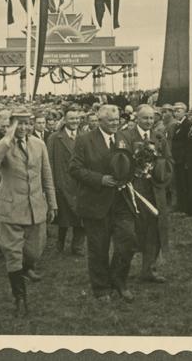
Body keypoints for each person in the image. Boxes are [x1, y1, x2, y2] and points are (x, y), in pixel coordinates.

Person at [0, 107, 57, 316]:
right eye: (19, 123)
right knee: (13, 254)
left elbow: (47, 175)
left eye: (27, 123)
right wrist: (7, 138)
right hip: (11, 208)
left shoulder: (39, 144)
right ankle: (20, 297)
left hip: (35, 208)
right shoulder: (3, 145)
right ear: (11, 124)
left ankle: (24, 270)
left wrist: (52, 203)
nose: (24, 127)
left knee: (34, 252)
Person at [69, 104, 138, 303]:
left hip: (121, 201)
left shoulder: (124, 137)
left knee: (128, 241)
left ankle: (119, 280)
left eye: (117, 120)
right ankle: (101, 288)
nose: (115, 124)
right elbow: (74, 168)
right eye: (110, 121)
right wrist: (100, 179)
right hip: (96, 203)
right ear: (99, 121)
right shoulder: (85, 140)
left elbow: (129, 163)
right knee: (99, 248)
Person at [118, 104, 166, 283]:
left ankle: (148, 269)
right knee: (132, 231)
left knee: (154, 229)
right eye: (145, 118)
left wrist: (159, 171)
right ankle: (121, 271)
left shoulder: (159, 136)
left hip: (154, 189)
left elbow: (168, 159)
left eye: (151, 118)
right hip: (133, 188)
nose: (149, 121)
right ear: (136, 118)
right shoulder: (126, 136)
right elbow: (120, 159)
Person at [46, 108, 85, 256]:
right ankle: (60, 243)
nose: (75, 121)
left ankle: (78, 246)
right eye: (72, 119)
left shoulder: (84, 136)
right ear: (65, 120)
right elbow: (49, 162)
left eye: (77, 119)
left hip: (80, 182)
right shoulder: (55, 138)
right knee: (63, 216)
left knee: (81, 215)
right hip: (62, 181)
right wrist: (52, 183)